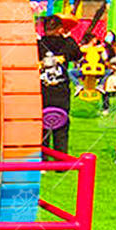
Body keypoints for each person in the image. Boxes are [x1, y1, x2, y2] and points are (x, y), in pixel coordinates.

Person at [37, 15, 82, 158]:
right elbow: (77, 54)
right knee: (61, 127)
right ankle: (61, 160)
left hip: (42, 92)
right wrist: (67, 36)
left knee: (42, 127)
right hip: (61, 93)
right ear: (60, 29)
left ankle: (42, 160)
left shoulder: (38, 44)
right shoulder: (67, 43)